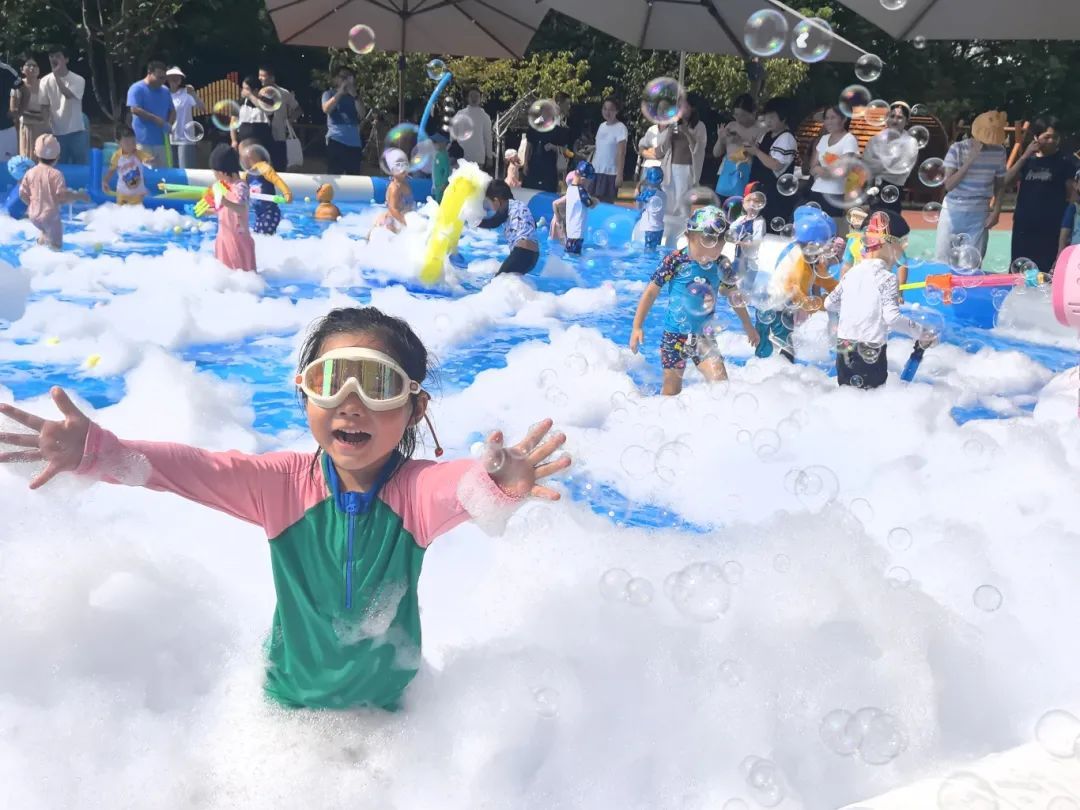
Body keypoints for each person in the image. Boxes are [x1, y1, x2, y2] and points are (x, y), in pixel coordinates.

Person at [0, 306, 570, 711]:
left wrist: (500, 480)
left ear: (414, 408)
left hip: (392, 713)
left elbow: (460, 486)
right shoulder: (282, 486)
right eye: (331, 382)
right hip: (287, 709)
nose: (351, 404)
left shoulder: (415, 496)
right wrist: (101, 452)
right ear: (305, 393)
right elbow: (191, 469)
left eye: (376, 385)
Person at [629, 206, 759, 395]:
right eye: (702, 250)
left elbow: (734, 296)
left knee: (721, 383)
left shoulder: (721, 264)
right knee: (671, 390)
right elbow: (650, 293)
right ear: (688, 237)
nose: (707, 257)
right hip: (674, 335)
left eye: (714, 251)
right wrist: (637, 326)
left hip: (704, 336)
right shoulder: (675, 260)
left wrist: (747, 324)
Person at [825, 210, 934, 389]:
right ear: (889, 246)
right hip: (871, 348)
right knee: (871, 397)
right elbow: (892, 318)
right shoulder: (887, 278)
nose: (902, 253)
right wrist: (921, 333)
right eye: (901, 247)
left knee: (846, 394)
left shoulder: (851, 274)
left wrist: (856, 308)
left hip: (843, 346)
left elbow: (829, 303)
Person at [756, 204, 838, 361]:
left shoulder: (813, 259)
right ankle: (764, 369)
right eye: (827, 242)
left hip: (786, 307)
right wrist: (808, 304)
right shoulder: (797, 256)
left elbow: (826, 280)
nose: (830, 246)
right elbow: (791, 286)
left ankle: (777, 367)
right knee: (775, 349)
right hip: (773, 307)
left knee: (785, 347)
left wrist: (841, 292)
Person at [1004, 116, 1077, 275]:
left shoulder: (1065, 163)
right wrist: (1024, 156)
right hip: (1024, 226)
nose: (1052, 141)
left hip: (1050, 228)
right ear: (1036, 137)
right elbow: (1005, 182)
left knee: (1045, 273)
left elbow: (1071, 196)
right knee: (1020, 273)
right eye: (1047, 137)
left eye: (1055, 137)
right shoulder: (1028, 161)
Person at [934, 111, 1008, 263]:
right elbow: (949, 185)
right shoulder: (957, 148)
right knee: (943, 262)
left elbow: (1000, 185)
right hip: (952, 210)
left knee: (971, 264)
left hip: (979, 211)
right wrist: (969, 160)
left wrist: (996, 211)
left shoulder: (999, 151)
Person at [18, 133, 86, 249]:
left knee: (44, 233)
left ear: (35, 153)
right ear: (58, 157)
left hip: (33, 215)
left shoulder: (30, 173)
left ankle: (38, 247)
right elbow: (61, 196)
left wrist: (32, 204)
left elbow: (21, 194)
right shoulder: (56, 174)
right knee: (56, 245)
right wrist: (77, 196)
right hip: (50, 216)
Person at [747, 97, 799, 227]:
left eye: (772, 117)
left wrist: (756, 151)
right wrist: (753, 149)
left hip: (774, 197)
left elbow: (776, 165)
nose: (768, 121)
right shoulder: (766, 135)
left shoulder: (786, 138)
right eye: (767, 117)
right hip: (760, 191)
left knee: (768, 230)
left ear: (783, 118)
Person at [806, 105, 860, 226]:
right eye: (826, 118)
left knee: (830, 230)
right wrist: (828, 170)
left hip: (835, 194)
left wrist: (822, 170)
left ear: (843, 119)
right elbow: (812, 167)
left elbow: (844, 170)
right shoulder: (823, 139)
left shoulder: (849, 139)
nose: (828, 121)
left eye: (833, 118)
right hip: (815, 191)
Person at [206, 143, 256, 272]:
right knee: (225, 274)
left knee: (242, 275)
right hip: (223, 239)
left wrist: (225, 202)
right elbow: (221, 210)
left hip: (238, 240)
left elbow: (242, 208)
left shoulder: (240, 187)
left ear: (223, 172)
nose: (215, 176)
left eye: (216, 173)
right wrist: (206, 211)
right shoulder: (223, 186)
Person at [861, 102, 919, 213]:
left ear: (906, 121)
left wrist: (877, 164)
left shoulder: (910, 142)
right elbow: (866, 164)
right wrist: (891, 161)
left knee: (889, 222)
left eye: (899, 117)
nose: (895, 120)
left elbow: (900, 170)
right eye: (892, 116)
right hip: (870, 190)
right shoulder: (875, 139)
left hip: (893, 192)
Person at [478, 179, 540, 276]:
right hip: (534, 256)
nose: (491, 208)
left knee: (498, 279)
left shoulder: (507, 204)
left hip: (521, 252)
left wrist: (477, 222)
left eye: (490, 204)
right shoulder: (521, 206)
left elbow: (494, 222)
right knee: (512, 279)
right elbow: (533, 226)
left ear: (496, 200)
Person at [38, 49, 86, 165]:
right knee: (59, 165)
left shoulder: (78, 79)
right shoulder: (44, 81)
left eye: (58, 56)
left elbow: (68, 95)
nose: (54, 59)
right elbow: (44, 106)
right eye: (51, 56)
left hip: (76, 131)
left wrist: (56, 75)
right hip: (56, 133)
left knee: (80, 165)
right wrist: (46, 125)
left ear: (66, 59)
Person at [713, 93, 762, 201]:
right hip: (726, 172)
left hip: (745, 174)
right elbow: (716, 153)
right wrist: (720, 139)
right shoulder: (731, 126)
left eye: (743, 115)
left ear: (753, 113)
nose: (738, 119)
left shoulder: (759, 130)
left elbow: (758, 153)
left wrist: (741, 141)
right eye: (736, 115)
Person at [126, 61, 174, 167]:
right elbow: (134, 109)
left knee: (165, 172)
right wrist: (156, 119)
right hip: (142, 142)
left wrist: (168, 124)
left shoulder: (165, 91)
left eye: (164, 78)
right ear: (149, 73)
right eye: (159, 77)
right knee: (143, 172)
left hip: (162, 142)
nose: (162, 81)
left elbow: (172, 110)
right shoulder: (137, 88)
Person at [239, 138, 292, 236]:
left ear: (249, 154)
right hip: (259, 214)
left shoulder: (264, 168)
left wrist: (286, 193)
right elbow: (239, 187)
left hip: (270, 212)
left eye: (240, 155)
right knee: (259, 237)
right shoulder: (247, 174)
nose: (240, 158)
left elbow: (277, 180)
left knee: (263, 236)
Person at [321, 66, 365, 175]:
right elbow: (326, 109)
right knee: (334, 175)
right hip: (336, 140)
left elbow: (362, 114)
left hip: (354, 143)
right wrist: (340, 93)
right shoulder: (329, 94)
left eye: (348, 77)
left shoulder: (355, 97)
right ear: (336, 79)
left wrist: (354, 95)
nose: (345, 80)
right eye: (343, 77)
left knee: (354, 177)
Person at [258, 65, 301, 172]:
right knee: (262, 169)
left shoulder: (284, 93)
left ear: (272, 78)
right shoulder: (257, 93)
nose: (260, 78)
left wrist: (289, 121)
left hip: (280, 136)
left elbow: (298, 109)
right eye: (259, 75)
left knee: (279, 167)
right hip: (262, 136)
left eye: (263, 76)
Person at [729, 181, 767, 292]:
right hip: (738, 257)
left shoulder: (759, 222)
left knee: (746, 290)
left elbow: (756, 243)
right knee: (735, 287)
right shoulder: (741, 219)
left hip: (751, 262)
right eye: (749, 200)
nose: (752, 204)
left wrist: (740, 243)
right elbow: (731, 229)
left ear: (762, 204)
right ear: (743, 202)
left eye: (756, 201)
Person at [101, 126, 153, 206]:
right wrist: (105, 181)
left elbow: (146, 159)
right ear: (118, 142)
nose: (131, 145)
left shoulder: (138, 153)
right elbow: (111, 171)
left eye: (133, 142)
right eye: (127, 142)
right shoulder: (117, 156)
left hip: (138, 194)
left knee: (138, 210)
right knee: (122, 211)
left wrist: (150, 161)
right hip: (122, 194)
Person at [166, 66, 205, 169]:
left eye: (177, 77)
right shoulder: (164, 94)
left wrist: (193, 94)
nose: (174, 79)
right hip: (169, 137)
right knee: (173, 170)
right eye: (171, 77)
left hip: (185, 137)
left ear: (180, 80)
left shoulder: (186, 93)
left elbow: (202, 108)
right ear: (167, 79)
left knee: (185, 169)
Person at [10, 57, 49, 159]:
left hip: (43, 127)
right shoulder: (18, 85)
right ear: (22, 69)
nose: (32, 68)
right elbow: (13, 109)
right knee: (26, 156)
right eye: (29, 65)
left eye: (35, 65)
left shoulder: (45, 85)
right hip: (25, 127)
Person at [592, 97, 627, 203]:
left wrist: (619, 175)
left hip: (610, 173)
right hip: (595, 171)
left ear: (616, 111)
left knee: (605, 204)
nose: (607, 112)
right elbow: (600, 147)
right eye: (605, 109)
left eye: (611, 109)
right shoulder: (601, 126)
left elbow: (621, 152)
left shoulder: (621, 128)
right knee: (591, 203)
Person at [372, 148, 414, 234]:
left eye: (405, 165)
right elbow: (393, 209)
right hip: (391, 222)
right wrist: (406, 223)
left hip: (400, 219)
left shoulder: (404, 183)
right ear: (392, 170)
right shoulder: (395, 188)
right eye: (398, 165)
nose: (403, 169)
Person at [231, 76, 274, 158]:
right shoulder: (239, 103)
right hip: (243, 142)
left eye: (247, 89)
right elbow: (233, 124)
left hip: (263, 142)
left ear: (256, 90)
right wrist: (234, 140)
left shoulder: (267, 101)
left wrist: (251, 96)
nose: (243, 91)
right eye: (243, 88)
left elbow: (268, 110)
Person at [560, 162, 595, 255]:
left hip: (570, 231)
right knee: (574, 256)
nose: (589, 183)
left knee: (569, 253)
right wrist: (596, 201)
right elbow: (590, 204)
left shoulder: (570, 188)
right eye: (589, 181)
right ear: (583, 179)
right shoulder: (581, 192)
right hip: (577, 233)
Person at [455, 87, 493, 170]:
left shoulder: (485, 116)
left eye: (476, 96)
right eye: (471, 96)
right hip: (462, 156)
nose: (474, 98)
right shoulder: (460, 114)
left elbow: (488, 138)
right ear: (467, 98)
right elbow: (453, 134)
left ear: (480, 98)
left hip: (478, 157)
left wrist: (489, 157)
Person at [635, 165, 666, 250]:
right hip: (659, 227)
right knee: (655, 250)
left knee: (648, 251)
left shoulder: (648, 194)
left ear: (648, 179)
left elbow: (637, 198)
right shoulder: (663, 194)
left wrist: (639, 185)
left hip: (650, 228)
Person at [0, 59, 19, 163]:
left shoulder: (6, 70)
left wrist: (19, 112)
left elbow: (25, 91)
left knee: (8, 165)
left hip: (5, 129)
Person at [431, 133, 450, 203]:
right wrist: (433, 184)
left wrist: (444, 184)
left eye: (435, 142)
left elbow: (447, 171)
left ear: (442, 143)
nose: (434, 144)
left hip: (441, 185)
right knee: (437, 201)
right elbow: (435, 171)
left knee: (440, 202)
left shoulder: (444, 155)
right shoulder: (438, 155)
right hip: (437, 184)